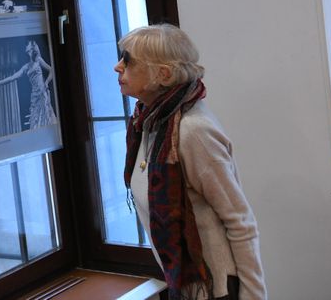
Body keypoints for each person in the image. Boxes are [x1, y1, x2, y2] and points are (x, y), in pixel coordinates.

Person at [113, 24, 266, 300]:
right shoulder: (148, 123)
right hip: (185, 286)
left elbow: (241, 222)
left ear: (163, 73)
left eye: (128, 60)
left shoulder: (193, 131)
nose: (117, 67)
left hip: (215, 288)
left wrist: (254, 296)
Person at [0, 41, 57, 130]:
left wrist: (46, 82)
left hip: (42, 93)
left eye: (27, 45)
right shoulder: (26, 67)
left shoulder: (38, 60)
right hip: (34, 96)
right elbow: (12, 77)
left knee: (46, 117)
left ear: (32, 47)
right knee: (35, 122)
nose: (26, 47)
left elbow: (51, 70)